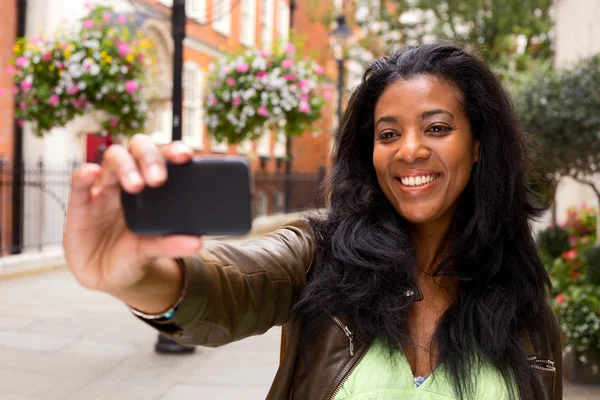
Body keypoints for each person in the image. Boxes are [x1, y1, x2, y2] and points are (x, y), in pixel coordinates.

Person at [63, 42, 562, 400]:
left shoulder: (523, 301)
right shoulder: (319, 255)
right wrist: (137, 276)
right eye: (388, 134)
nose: (409, 150)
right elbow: (229, 285)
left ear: (477, 146)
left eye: (436, 127)